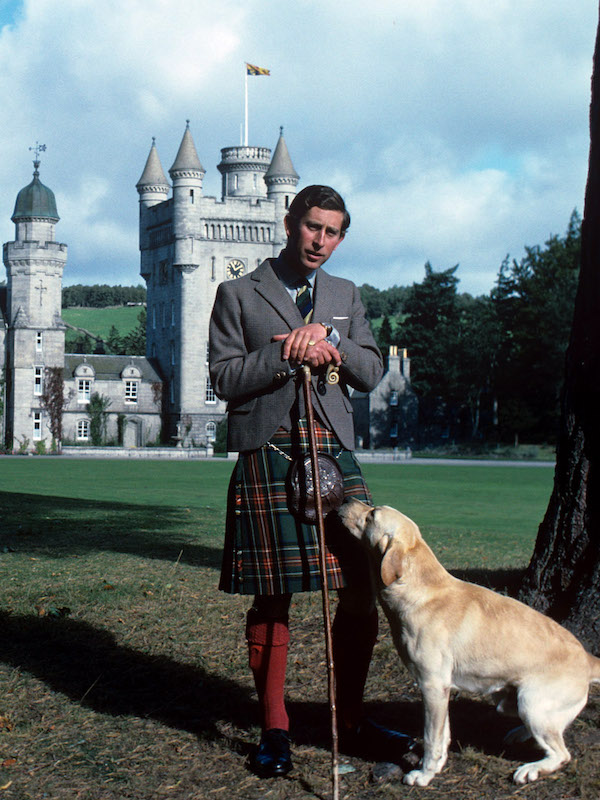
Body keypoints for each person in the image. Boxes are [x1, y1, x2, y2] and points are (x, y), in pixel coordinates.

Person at [209, 185, 415, 777]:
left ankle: (347, 716)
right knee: (272, 593)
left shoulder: (347, 295)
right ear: (290, 222)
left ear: (341, 237)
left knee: (361, 583)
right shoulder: (237, 293)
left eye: (332, 232)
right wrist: (286, 354)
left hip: (333, 452)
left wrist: (332, 343)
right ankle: (275, 729)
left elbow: (372, 371)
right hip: (268, 452)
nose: (320, 241)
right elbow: (223, 378)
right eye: (311, 227)